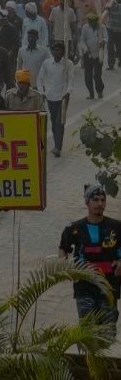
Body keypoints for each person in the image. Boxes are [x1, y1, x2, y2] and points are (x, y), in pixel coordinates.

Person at [58, 183, 121, 333]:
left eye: (102, 200)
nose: (100, 204)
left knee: (108, 332)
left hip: (109, 285)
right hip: (84, 286)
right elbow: (63, 249)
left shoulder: (117, 227)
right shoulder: (74, 228)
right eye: (95, 200)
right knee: (87, 330)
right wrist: (65, 266)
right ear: (87, 202)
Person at [37, 41, 75, 157]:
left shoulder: (68, 64)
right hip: (50, 97)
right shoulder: (47, 63)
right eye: (53, 50)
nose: (55, 52)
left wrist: (68, 92)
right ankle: (57, 144)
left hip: (63, 97)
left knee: (60, 122)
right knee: (54, 122)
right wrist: (41, 92)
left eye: (57, 50)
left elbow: (71, 79)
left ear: (63, 51)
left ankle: (58, 147)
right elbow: (40, 79)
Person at [78, 12, 106, 99]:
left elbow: (106, 37)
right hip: (88, 54)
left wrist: (103, 41)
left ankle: (100, 90)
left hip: (98, 55)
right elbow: (82, 40)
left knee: (97, 75)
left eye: (94, 22)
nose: (92, 23)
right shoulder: (85, 27)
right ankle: (91, 93)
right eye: (91, 22)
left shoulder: (102, 27)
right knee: (87, 76)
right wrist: (85, 49)